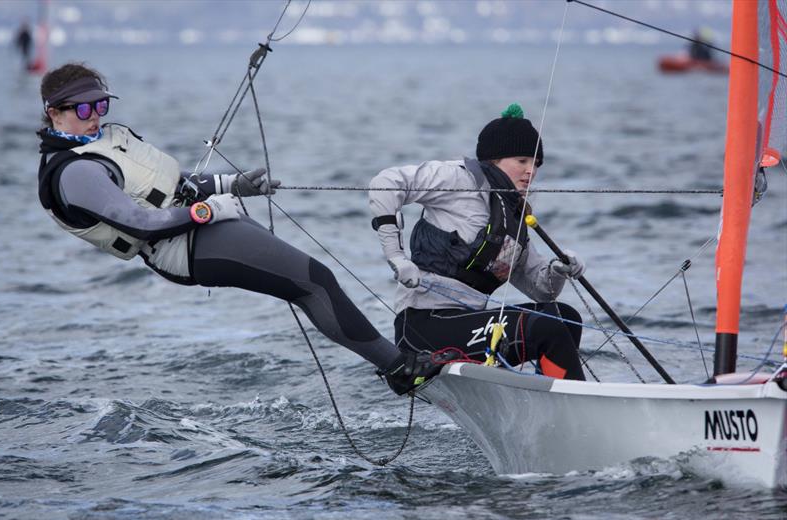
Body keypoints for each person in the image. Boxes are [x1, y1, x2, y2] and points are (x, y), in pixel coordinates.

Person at [37, 62, 420, 388]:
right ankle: (401, 369)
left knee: (311, 282)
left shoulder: (103, 141)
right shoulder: (75, 172)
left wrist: (233, 185)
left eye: (100, 105)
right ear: (55, 113)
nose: (96, 117)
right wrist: (206, 212)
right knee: (314, 282)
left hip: (200, 228)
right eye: (83, 110)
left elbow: (169, 183)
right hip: (181, 248)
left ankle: (400, 361)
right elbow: (141, 224)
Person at [369, 103, 587, 394]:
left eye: (536, 164)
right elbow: (385, 183)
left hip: (466, 323)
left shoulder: (514, 215)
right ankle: (570, 414)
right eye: (522, 160)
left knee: (564, 317)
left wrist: (559, 269)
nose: (530, 171)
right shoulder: (459, 178)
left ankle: (550, 406)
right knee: (548, 329)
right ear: (494, 160)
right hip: (424, 327)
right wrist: (396, 257)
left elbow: (541, 290)